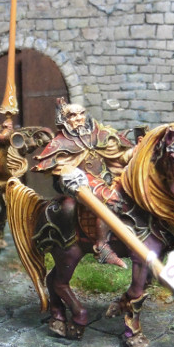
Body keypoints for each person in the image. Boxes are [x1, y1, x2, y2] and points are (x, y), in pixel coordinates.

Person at [32, 99, 136, 268]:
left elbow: (119, 156)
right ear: (65, 120)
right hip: (80, 184)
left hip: (106, 179)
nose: (79, 118)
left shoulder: (99, 134)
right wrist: (69, 174)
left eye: (81, 114)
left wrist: (134, 152)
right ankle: (101, 246)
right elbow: (59, 169)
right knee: (111, 199)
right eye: (73, 115)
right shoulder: (61, 143)